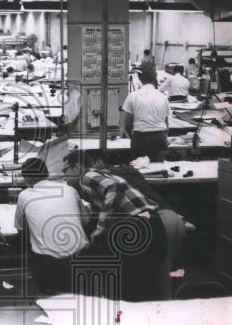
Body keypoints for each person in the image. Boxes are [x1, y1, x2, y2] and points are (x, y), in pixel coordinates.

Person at [63, 151, 166, 301]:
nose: (64, 176)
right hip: (152, 224)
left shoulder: (86, 176)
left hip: (136, 225)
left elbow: (111, 187)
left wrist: (99, 228)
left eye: (65, 170)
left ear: (77, 166)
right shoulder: (101, 175)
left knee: (130, 289)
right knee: (142, 287)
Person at [15, 157, 87, 295]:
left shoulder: (24, 196)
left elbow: (20, 229)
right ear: (47, 174)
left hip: (48, 265)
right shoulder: (69, 190)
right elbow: (85, 221)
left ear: (26, 178)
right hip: (79, 260)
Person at [120, 67, 169, 161]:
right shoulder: (163, 97)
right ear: (155, 80)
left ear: (140, 79)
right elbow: (166, 124)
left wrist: (133, 138)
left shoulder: (132, 96)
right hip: (160, 138)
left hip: (140, 139)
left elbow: (127, 124)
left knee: (140, 169)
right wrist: (163, 137)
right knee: (160, 169)